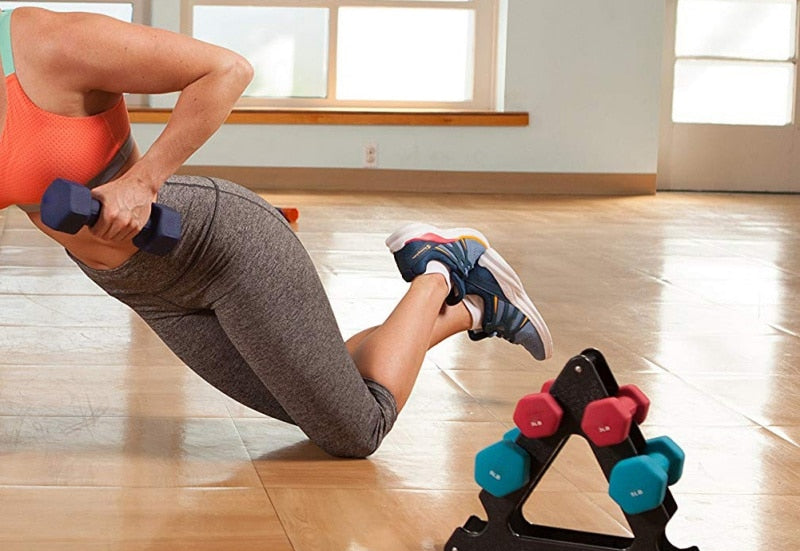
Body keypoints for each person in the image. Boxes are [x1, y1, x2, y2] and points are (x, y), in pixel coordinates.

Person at [0, 6, 553, 458]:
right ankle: (477, 303)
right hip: (144, 288)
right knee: (320, 397)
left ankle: (439, 270)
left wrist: (142, 181)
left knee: (356, 430)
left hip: (213, 244)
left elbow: (226, 69)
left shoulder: (44, 41)